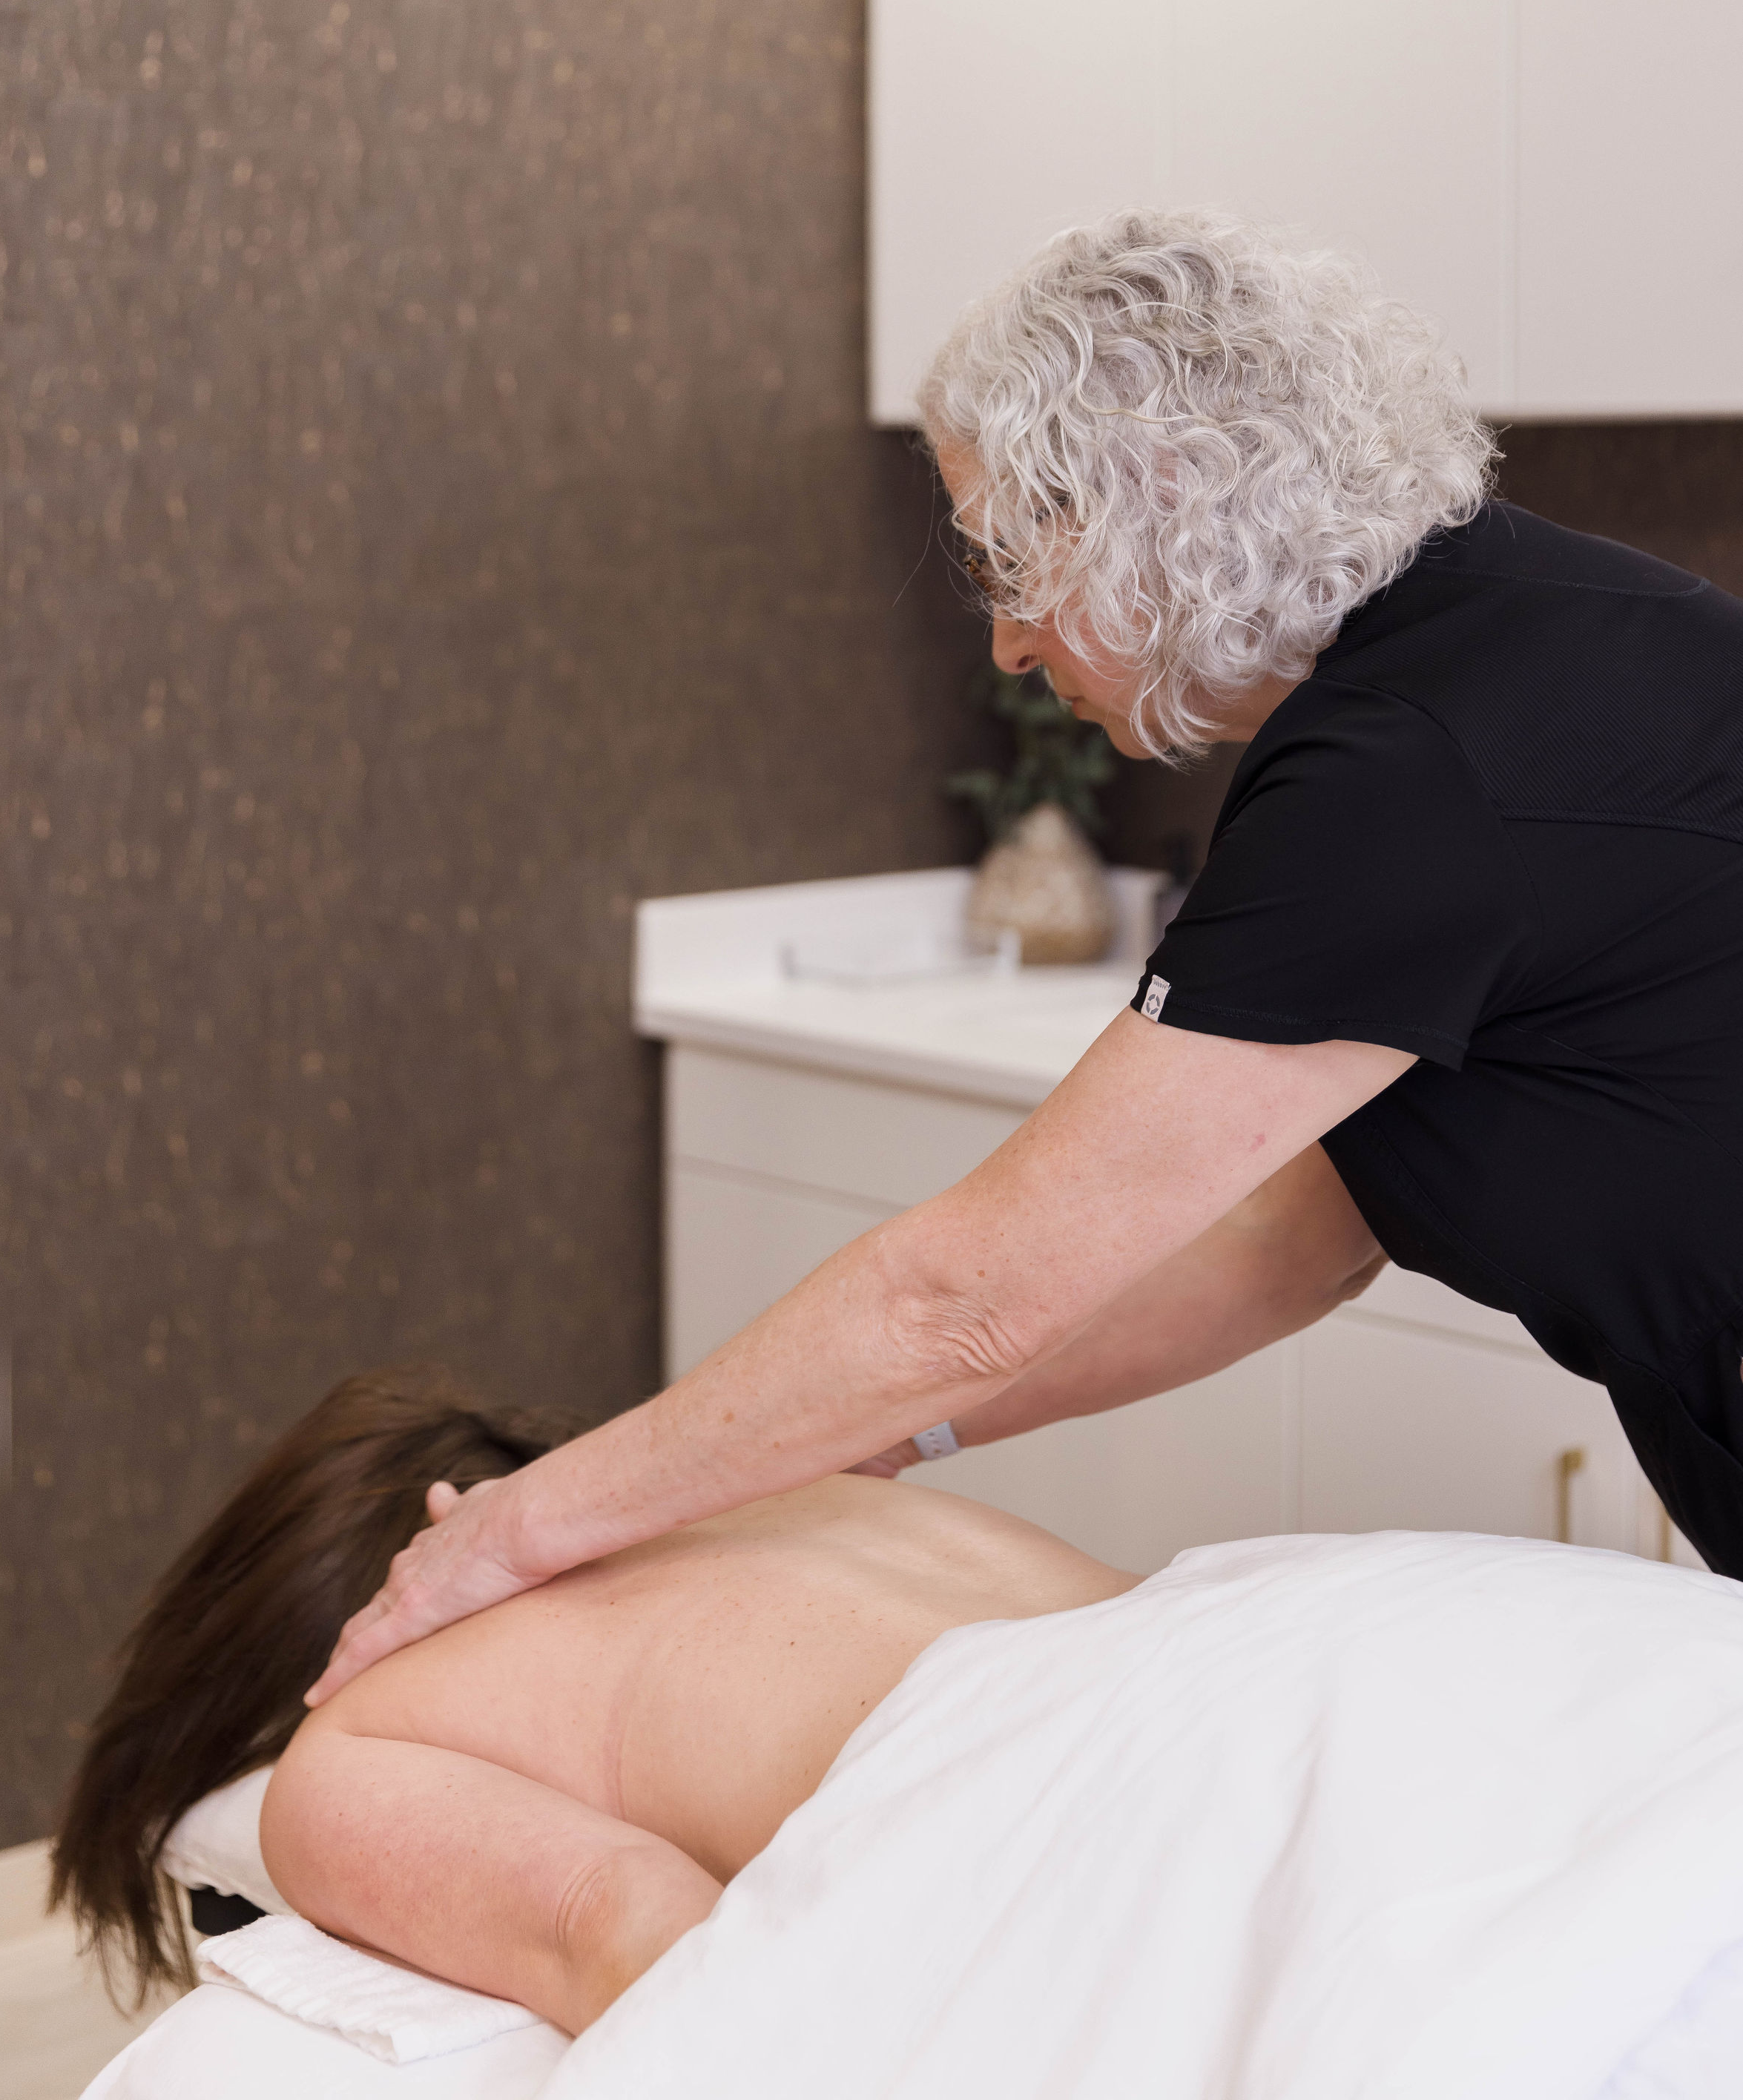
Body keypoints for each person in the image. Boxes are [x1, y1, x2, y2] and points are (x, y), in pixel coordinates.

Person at [302, 206, 1743, 1708]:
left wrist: (511, 1536)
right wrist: (860, 1435)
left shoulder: (1408, 767)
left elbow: (955, 1302)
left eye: (1005, 562)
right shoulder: (1517, 622)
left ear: (1155, 504)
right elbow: (1287, 1240)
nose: (1003, 643)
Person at [53, 1369, 1133, 2032]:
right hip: (1221, 1630)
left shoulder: (357, 1740)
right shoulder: (793, 1492)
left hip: (1067, 1819)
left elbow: (650, 1946)